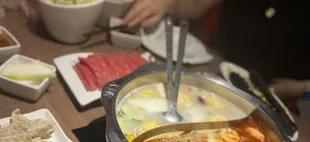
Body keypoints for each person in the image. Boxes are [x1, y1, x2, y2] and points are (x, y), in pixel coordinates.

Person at [124, 0, 310, 106]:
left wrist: (302, 88)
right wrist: (168, 3)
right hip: (215, 66)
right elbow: (194, 6)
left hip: (276, 95)